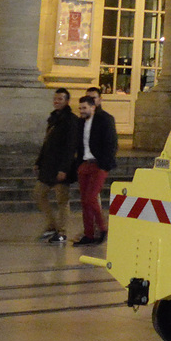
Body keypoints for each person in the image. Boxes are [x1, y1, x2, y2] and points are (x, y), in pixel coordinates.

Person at [72, 92, 118, 247]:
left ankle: (103, 227)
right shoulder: (80, 123)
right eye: (80, 108)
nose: (81, 111)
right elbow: (78, 143)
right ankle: (89, 234)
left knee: (91, 198)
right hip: (84, 163)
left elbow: (111, 143)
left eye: (84, 108)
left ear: (93, 107)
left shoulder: (104, 119)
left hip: (99, 164)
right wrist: (79, 163)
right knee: (84, 201)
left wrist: (104, 163)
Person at [35, 87, 80, 243]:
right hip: (48, 164)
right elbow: (47, 142)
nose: (56, 101)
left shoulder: (71, 120)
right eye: (55, 98)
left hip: (61, 166)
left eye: (60, 99)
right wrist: (39, 161)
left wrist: (64, 168)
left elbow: (70, 147)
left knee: (62, 200)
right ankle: (52, 225)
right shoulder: (53, 118)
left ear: (67, 101)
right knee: (39, 194)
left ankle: (62, 231)